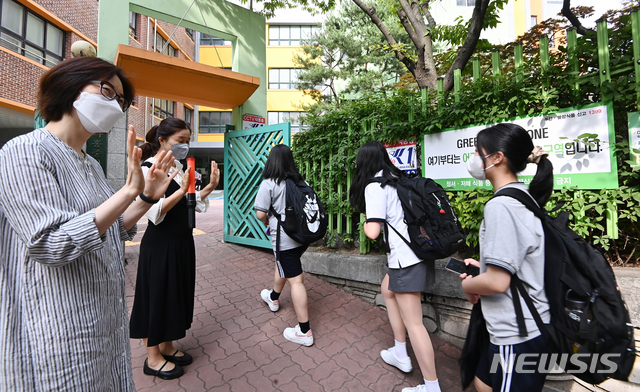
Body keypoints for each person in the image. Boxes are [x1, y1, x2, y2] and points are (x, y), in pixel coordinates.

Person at [0, 57, 178, 391]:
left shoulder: (91, 165)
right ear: (69, 85)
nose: (115, 105)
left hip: (102, 318)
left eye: (121, 101)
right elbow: (51, 244)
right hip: (55, 326)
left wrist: (145, 198)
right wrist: (127, 191)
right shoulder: (24, 152)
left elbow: (108, 230)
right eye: (107, 90)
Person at [459, 123, 553, 392]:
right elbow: (518, 258)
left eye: (479, 153)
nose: (476, 159)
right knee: (483, 383)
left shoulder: (501, 205)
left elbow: (497, 283)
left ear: (497, 157)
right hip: (515, 328)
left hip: (518, 333)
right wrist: (484, 267)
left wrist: (467, 285)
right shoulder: (522, 195)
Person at [129, 117, 220, 380]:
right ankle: (152, 356)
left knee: (175, 294)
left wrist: (210, 187)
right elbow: (153, 213)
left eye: (187, 141)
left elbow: (193, 203)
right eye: (180, 141)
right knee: (156, 296)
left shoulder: (179, 167)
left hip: (182, 242)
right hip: (159, 245)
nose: (185, 146)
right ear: (162, 140)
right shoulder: (149, 167)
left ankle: (167, 345)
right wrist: (180, 191)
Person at [349, 141, 441, 392]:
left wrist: (366, 219)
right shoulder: (396, 178)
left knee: (415, 323)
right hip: (418, 252)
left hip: (405, 259)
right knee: (387, 290)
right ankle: (400, 351)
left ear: (364, 162)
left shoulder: (374, 186)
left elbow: (372, 231)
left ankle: (431, 386)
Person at [254, 144, 314, 346]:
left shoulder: (269, 183)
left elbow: (261, 214)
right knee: (283, 265)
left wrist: (267, 222)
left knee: (296, 280)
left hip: (284, 239)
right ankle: (273, 297)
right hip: (301, 237)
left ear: (272, 161)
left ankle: (304, 331)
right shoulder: (300, 181)